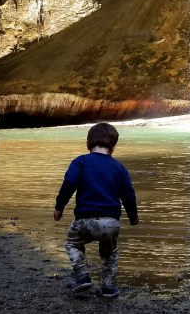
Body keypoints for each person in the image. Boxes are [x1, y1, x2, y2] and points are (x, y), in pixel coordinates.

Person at [53, 122, 139, 299]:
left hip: (85, 220)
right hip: (111, 222)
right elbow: (129, 195)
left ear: (87, 144)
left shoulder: (81, 162)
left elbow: (68, 185)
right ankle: (108, 287)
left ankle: (83, 275)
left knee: (72, 244)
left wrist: (59, 207)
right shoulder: (119, 168)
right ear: (113, 147)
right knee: (110, 253)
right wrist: (133, 217)